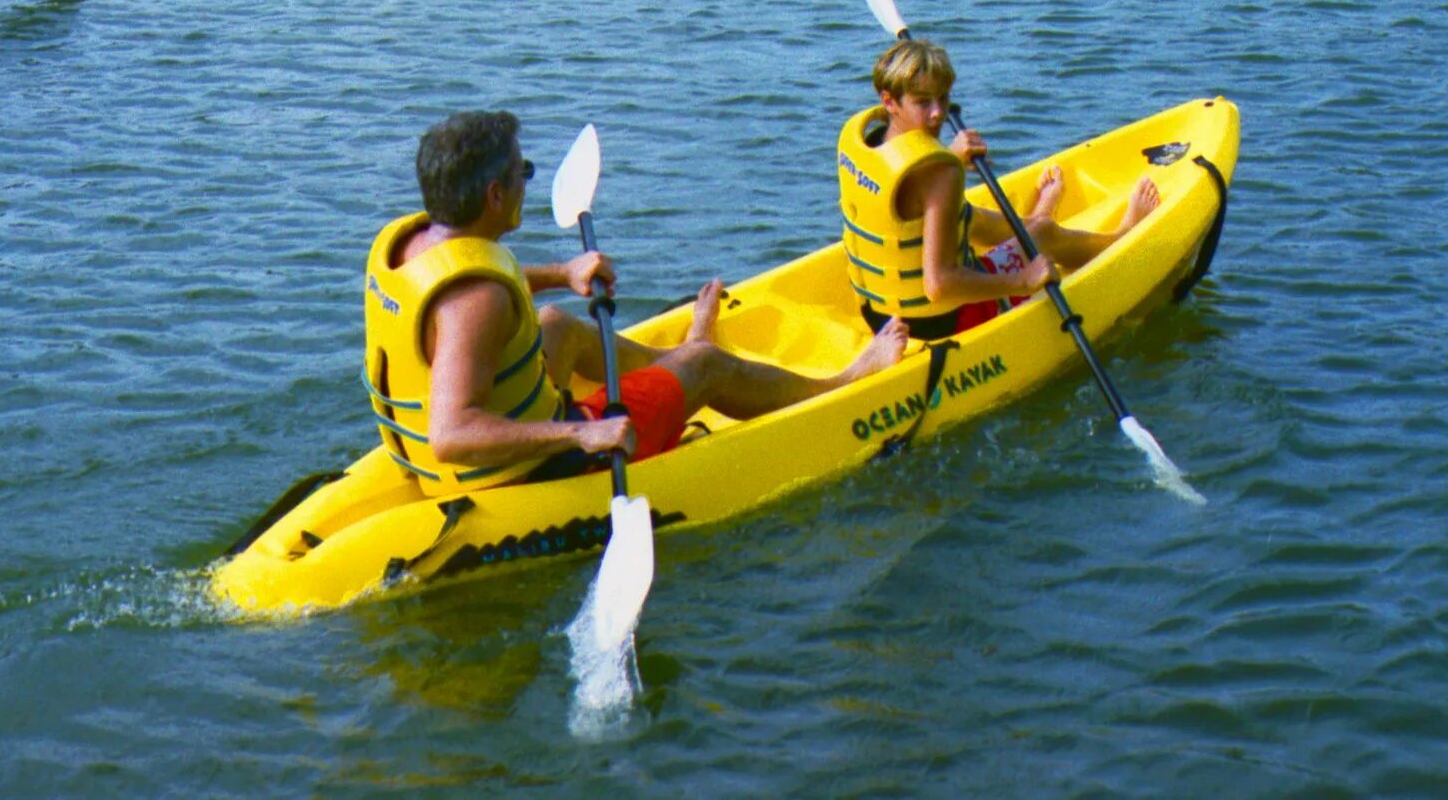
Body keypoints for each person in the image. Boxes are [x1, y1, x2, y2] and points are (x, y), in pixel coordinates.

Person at [367, 109, 908, 495]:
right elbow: (451, 434)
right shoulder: (478, 303)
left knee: (557, 325)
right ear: (495, 196)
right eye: (521, 172)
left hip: (437, 463)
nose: (528, 182)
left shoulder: (414, 244)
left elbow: (469, 287)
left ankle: (675, 370)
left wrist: (562, 272)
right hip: (521, 472)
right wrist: (584, 432)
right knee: (706, 364)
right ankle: (841, 382)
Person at [838, 39, 1160, 340]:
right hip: (941, 321)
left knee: (970, 218)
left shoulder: (868, 143)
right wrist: (1025, 280)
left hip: (880, 316)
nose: (938, 113)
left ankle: (1032, 222)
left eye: (943, 98)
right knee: (1045, 234)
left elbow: (914, 204)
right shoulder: (939, 175)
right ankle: (1119, 236)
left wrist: (950, 156)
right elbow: (940, 285)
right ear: (889, 101)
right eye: (922, 102)